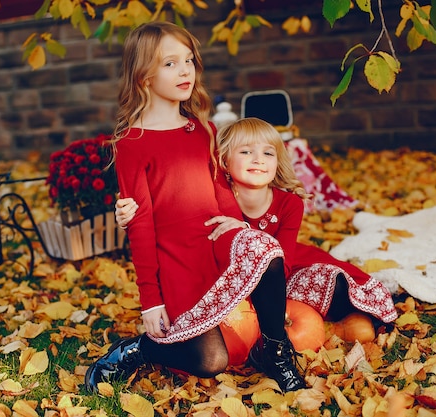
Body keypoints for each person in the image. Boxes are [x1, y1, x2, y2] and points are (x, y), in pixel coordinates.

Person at [84, 22, 306, 393]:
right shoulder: (131, 143)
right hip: (177, 261)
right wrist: (150, 301)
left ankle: (276, 350)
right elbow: (141, 226)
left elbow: (221, 190)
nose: (186, 70)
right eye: (170, 63)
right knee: (211, 361)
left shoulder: (202, 129)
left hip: (215, 244)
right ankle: (139, 349)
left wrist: (236, 226)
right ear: (144, 76)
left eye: (189, 60)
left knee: (264, 247)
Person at [116, 118, 398, 340]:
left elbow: (284, 262)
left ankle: (334, 319)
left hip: (286, 271)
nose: (258, 159)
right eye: (246, 152)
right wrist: (128, 214)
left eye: (267, 153)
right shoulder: (215, 196)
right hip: (235, 280)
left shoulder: (289, 204)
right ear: (224, 161)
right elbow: (173, 205)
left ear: (278, 162)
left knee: (336, 284)